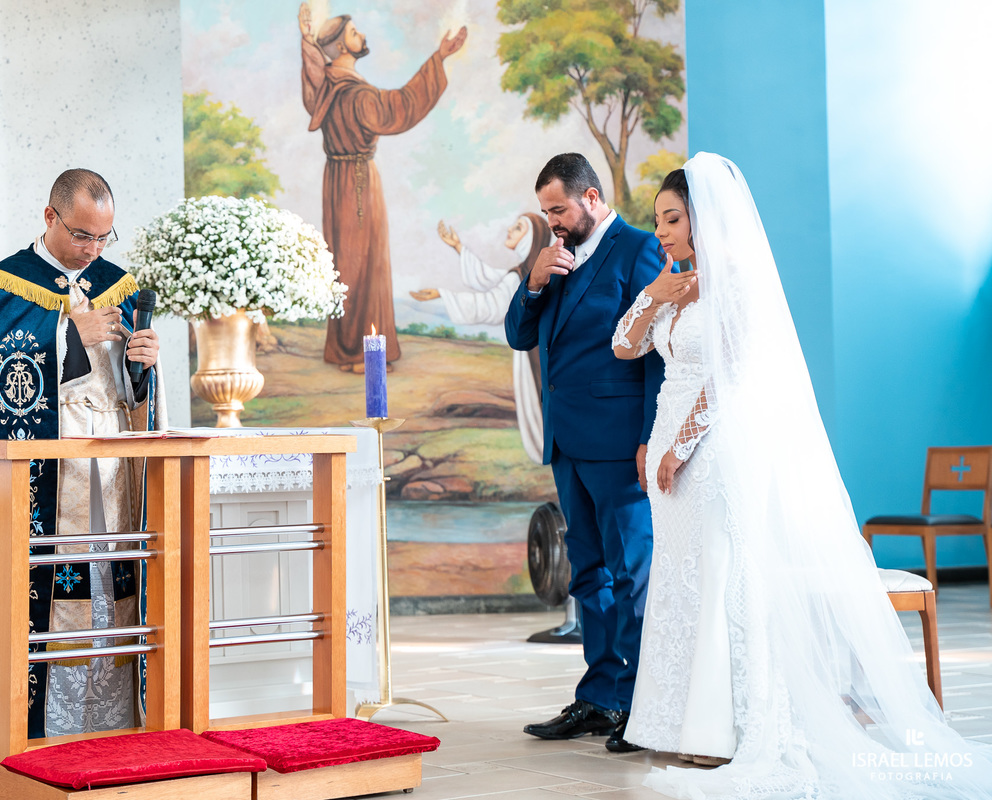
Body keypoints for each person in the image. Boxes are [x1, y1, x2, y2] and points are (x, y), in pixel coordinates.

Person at [612, 153, 992, 798]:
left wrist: (678, 446)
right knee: (681, 578)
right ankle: (678, 724)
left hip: (712, 450)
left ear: (704, 220)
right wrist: (653, 294)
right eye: (659, 222)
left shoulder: (737, 284)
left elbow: (728, 377)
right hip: (670, 446)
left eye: (673, 219)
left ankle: (729, 730)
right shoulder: (677, 284)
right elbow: (626, 346)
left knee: (719, 575)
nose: (663, 233)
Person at [0, 169, 166, 775]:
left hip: (112, 468)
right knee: (44, 588)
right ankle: (35, 736)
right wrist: (67, 333)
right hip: (49, 469)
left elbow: (132, 392)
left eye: (103, 237)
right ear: (49, 217)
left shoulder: (120, 285)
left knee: (110, 586)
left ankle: (112, 729)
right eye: (82, 236)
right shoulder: (4, 285)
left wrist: (144, 365)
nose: (94, 250)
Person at [505, 153, 663, 750]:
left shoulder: (639, 249)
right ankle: (599, 697)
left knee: (631, 573)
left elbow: (654, 353)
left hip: (621, 441)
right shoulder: (556, 259)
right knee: (589, 574)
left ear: (592, 198)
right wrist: (536, 281)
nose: (553, 223)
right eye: (546, 213)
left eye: (559, 210)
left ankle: (642, 704)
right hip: (567, 441)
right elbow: (520, 335)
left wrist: (649, 435)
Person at [298, 3, 466, 372]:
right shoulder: (357, 94)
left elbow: (313, 73)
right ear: (342, 46)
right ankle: (362, 353)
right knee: (365, 264)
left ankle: (345, 350)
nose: (363, 37)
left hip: (336, 181)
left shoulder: (327, 87)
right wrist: (438, 58)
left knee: (345, 264)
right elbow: (401, 107)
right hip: (359, 183)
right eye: (355, 33)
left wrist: (307, 40)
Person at [411, 213, 550, 463]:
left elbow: (490, 302)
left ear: (530, 238)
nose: (510, 229)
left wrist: (443, 295)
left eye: (518, 228)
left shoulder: (521, 277)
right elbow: (491, 277)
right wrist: (458, 247)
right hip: (541, 350)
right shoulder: (525, 273)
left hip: (533, 356)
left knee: (540, 407)